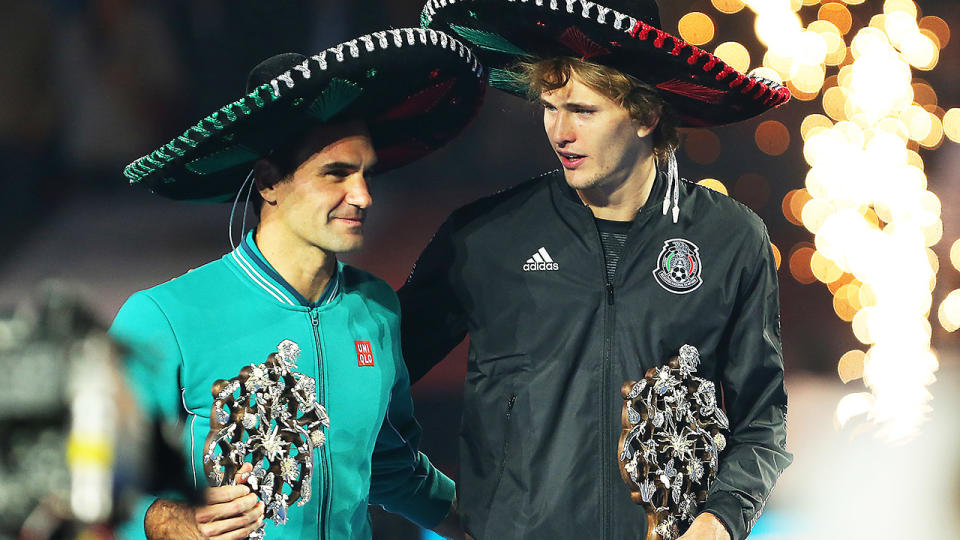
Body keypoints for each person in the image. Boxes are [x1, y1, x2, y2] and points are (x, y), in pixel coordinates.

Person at [400, 1, 794, 539]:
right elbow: (372, 386)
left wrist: (722, 520)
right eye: (548, 107)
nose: (558, 131)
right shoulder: (482, 237)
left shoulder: (731, 238)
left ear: (647, 115)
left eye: (583, 110)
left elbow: (761, 420)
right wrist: (439, 507)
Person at [109, 28, 486, 540]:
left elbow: (391, 466)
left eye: (365, 174)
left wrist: (500, 524)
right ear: (268, 181)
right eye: (335, 173)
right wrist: (165, 521)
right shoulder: (162, 317)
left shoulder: (376, 308)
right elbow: (89, 482)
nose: (363, 196)